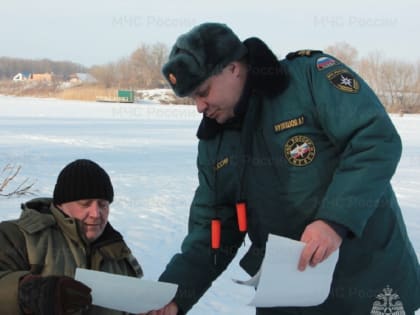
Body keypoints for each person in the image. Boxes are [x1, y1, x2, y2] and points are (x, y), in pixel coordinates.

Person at [150, 22, 420, 315]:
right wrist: (173, 294)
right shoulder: (215, 140)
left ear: (232, 68)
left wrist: (334, 221)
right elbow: (214, 228)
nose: (199, 107)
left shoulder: (308, 79)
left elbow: (374, 141)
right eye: (192, 98)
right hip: (288, 296)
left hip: (367, 284)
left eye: (202, 92)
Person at [0, 159, 143, 315]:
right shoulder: (16, 236)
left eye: (102, 204)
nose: (96, 214)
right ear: (61, 204)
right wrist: (25, 293)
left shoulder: (119, 254)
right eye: (85, 204)